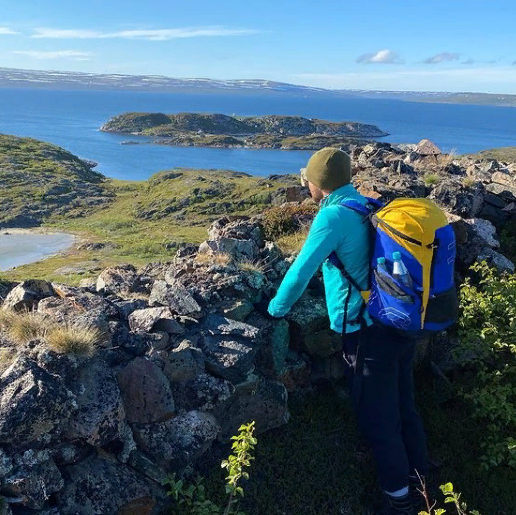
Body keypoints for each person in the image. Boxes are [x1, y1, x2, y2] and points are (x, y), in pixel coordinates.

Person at [260, 147, 428, 515]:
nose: (306, 186)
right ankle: (425, 485)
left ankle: (399, 501)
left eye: (308, 181)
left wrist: (274, 310)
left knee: (378, 419)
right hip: (398, 322)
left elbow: (301, 272)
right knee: (404, 407)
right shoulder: (367, 204)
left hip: (367, 331)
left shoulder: (332, 217)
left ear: (318, 184)